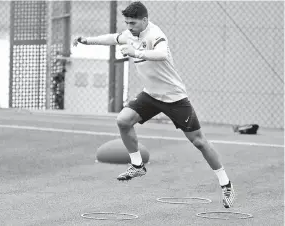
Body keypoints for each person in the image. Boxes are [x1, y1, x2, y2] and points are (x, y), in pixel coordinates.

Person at [73, 1, 235, 208]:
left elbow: (161, 54)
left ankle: (226, 183)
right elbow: (113, 38)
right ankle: (137, 165)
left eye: (133, 22)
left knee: (199, 142)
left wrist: (136, 53)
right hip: (151, 95)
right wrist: (86, 40)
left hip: (174, 97)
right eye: (127, 22)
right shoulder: (130, 34)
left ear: (145, 20)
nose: (129, 26)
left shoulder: (155, 34)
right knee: (123, 121)